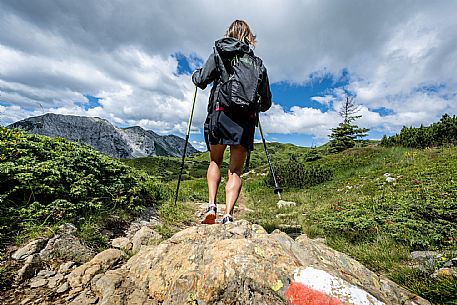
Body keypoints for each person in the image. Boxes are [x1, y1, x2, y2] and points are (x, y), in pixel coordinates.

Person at [192, 20, 272, 224]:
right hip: (245, 121)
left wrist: (195, 76)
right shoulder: (258, 64)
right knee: (235, 170)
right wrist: (255, 107)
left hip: (220, 114)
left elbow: (202, 80)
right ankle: (228, 214)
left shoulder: (220, 52)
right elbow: (267, 101)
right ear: (249, 37)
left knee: (215, 161)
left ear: (229, 33)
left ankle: (211, 206)